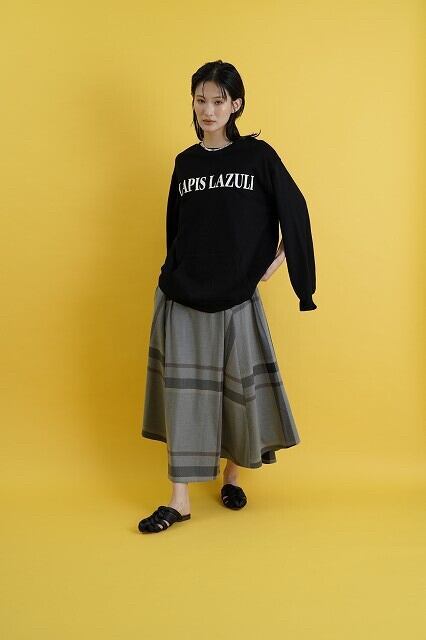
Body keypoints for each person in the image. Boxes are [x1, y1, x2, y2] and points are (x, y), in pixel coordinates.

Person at [138, 59, 317, 533]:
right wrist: (171, 276)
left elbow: (296, 210)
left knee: (240, 393)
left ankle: (233, 476)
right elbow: (175, 231)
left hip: (237, 297)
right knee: (183, 399)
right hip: (182, 295)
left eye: (219, 101)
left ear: (236, 105)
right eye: (201, 100)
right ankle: (179, 500)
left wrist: (284, 266)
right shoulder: (185, 163)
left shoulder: (257, 157)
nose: (209, 109)